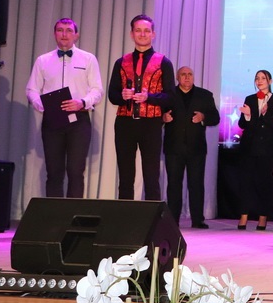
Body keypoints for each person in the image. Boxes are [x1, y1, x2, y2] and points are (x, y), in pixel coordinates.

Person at [25, 18, 104, 199]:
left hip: (79, 120)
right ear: (55, 34)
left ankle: (73, 213)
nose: (64, 34)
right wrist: (43, 105)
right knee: (54, 172)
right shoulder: (43, 60)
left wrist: (82, 102)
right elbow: (31, 89)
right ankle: (54, 215)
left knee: (76, 172)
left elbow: (97, 90)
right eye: (60, 30)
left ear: (76, 35)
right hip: (52, 121)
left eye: (69, 30)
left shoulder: (88, 59)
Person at [107, 14, 175, 200]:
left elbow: (171, 97)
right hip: (125, 123)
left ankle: (153, 216)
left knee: (151, 176)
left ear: (153, 34)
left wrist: (149, 97)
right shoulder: (121, 62)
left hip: (151, 124)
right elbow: (112, 95)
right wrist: (122, 96)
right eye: (138, 30)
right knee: (125, 176)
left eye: (146, 31)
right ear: (132, 34)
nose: (142, 34)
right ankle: (125, 214)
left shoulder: (164, 62)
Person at [162, 67, 219, 228]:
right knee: (174, 184)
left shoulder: (205, 95)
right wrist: (163, 117)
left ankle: (197, 219)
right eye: (183, 75)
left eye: (190, 74)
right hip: (174, 147)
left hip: (196, 148)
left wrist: (203, 117)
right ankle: (173, 220)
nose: (187, 77)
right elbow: (156, 114)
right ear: (177, 77)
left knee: (196, 184)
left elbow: (215, 117)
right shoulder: (167, 95)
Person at [237, 70, 273, 230]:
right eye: (257, 78)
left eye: (263, 78)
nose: (259, 81)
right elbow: (242, 124)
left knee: (264, 183)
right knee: (246, 182)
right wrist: (248, 116)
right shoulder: (250, 99)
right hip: (249, 146)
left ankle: (263, 217)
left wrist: (262, 115)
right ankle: (243, 215)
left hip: (266, 148)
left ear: (270, 81)